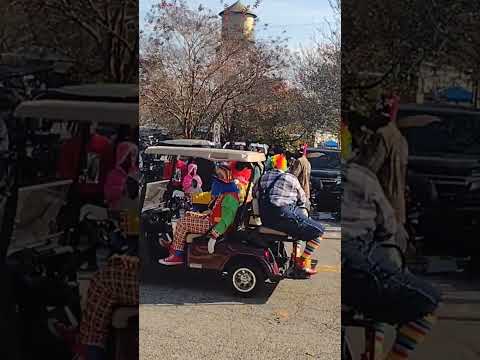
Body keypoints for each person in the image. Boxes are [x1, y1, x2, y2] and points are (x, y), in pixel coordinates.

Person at [342, 146, 441, 360]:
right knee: (428, 302)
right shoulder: (361, 175)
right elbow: (388, 228)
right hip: (354, 261)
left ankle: (374, 345)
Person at [158, 163, 240, 265]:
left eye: (219, 177)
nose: (216, 181)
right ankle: (175, 244)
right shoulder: (225, 191)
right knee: (188, 214)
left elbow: (227, 219)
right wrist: (189, 196)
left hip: (213, 225)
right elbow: (208, 196)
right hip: (212, 219)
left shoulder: (230, 196)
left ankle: (176, 255)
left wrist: (214, 236)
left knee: (183, 223)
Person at [255, 154, 324, 275]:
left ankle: (294, 256)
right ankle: (301, 262)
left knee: (298, 225)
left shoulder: (263, 177)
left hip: (266, 219)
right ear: (284, 165)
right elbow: (302, 200)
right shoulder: (290, 178)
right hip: (283, 217)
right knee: (319, 231)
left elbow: (255, 193)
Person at [290, 143, 311, 209]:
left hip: (299, 190)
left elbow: (294, 176)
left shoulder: (299, 161)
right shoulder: (307, 162)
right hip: (306, 189)